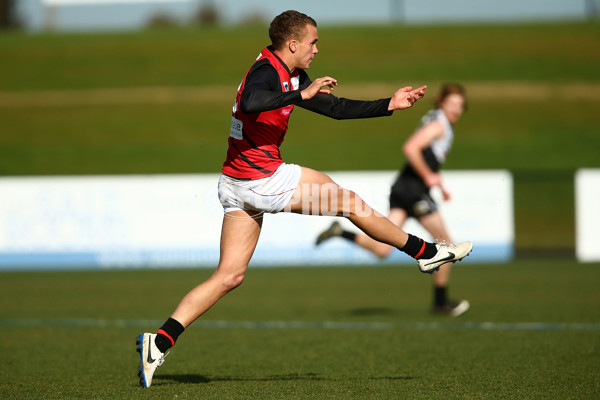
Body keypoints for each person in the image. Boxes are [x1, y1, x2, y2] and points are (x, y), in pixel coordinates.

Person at [136, 11, 472, 388]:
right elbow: (249, 101)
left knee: (230, 275)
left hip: (237, 184)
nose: (317, 48)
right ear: (292, 44)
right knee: (347, 202)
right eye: (312, 42)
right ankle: (425, 253)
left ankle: (160, 340)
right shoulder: (267, 72)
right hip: (260, 180)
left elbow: (336, 108)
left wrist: (389, 104)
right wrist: (300, 94)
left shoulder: (292, 74)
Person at [316, 84, 470, 317]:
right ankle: (440, 302)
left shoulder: (437, 121)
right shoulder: (439, 124)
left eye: (460, 105)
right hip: (413, 191)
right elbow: (411, 148)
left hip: (405, 188)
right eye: (452, 104)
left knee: (382, 249)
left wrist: (437, 183)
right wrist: (429, 177)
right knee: (447, 243)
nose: (456, 110)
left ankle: (340, 232)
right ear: (441, 103)